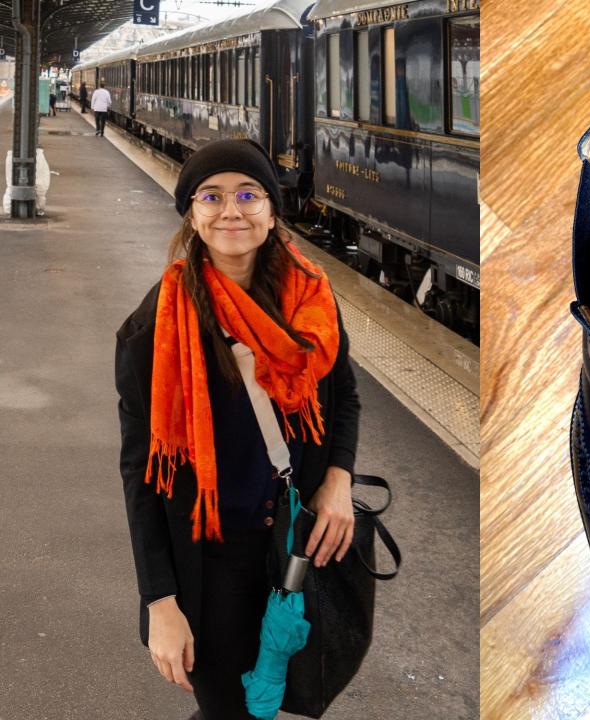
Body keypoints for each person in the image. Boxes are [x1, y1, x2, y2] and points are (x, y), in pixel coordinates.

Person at [115, 139, 360, 719]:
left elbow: (343, 392)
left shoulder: (310, 302)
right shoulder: (154, 329)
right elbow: (140, 472)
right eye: (213, 196)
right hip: (209, 566)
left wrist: (338, 479)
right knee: (232, 708)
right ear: (193, 214)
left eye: (249, 194)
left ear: (272, 212)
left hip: (295, 543)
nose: (232, 210)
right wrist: (160, 601)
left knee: (269, 698)